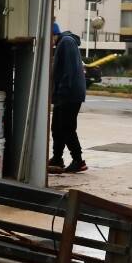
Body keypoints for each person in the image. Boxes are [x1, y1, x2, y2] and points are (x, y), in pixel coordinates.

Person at [48, 22, 87, 174]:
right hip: (64, 94)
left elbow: (68, 71)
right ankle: (57, 158)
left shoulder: (66, 42)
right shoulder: (62, 43)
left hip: (70, 94)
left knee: (67, 128)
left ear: (53, 34)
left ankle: (79, 161)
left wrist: (62, 92)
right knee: (56, 127)